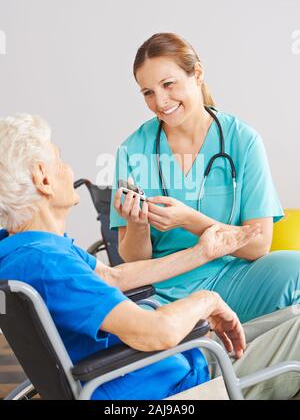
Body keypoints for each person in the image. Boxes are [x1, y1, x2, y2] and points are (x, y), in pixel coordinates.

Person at [0, 113, 257, 400]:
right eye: (59, 160)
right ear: (43, 178)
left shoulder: (25, 250)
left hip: (163, 367)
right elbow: (156, 332)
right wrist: (206, 300)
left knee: (289, 319)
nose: (68, 169)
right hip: (172, 388)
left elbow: (113, 276)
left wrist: (202, 252)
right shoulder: (49, 265)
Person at [110, 32, 300, 323]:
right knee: (139, 334)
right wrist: (137, 225)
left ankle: (236, 348)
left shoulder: (242, 140)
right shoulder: (132, 150)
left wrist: (190, 220)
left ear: (197, 74)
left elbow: (258, 245)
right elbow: (135, 261)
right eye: (148, 92)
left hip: (235, 277)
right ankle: (226, 349)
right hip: (166, 288)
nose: (160, 101)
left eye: (168, 84)